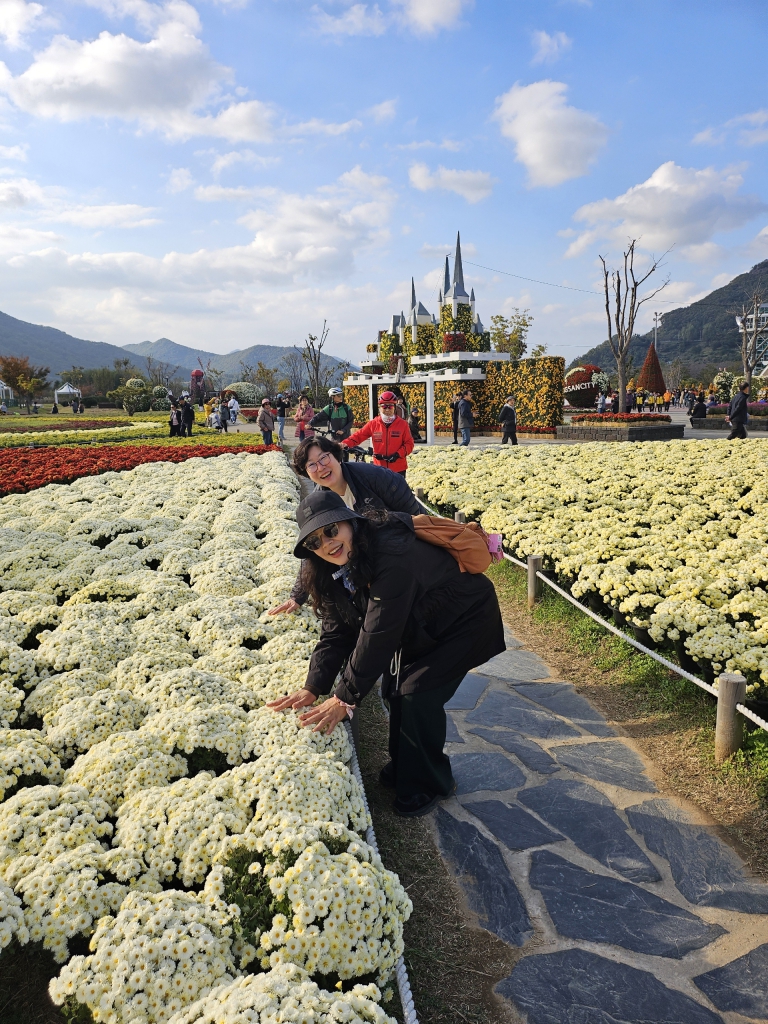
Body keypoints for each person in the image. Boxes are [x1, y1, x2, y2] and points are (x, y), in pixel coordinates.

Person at [267, 491, 505, 816]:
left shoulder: (391, 552)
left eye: (331, 530)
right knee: (395, 690)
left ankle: (431, 783)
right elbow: (337, 632)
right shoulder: (329, 569)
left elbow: (379, 632)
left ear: (350, 522)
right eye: (314, 542)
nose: (327, 543)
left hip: (463, 621)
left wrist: (344, 698)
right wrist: (314, 685)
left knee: (418, 696)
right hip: (422, 624)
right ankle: (407, 766)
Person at [269, 434, 422, 616]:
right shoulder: (319, 501)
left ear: (336, 456)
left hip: (403, 556)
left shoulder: (375, 478)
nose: (321, 467)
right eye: (311, 465)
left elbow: (417, 520)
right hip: (370, 565)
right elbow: (313, 545)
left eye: (324, 458)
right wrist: (297, 596)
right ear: (306, 472)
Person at [343, 391, 414, 477]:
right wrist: (344, 444)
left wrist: (398, 454)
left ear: (395, 407)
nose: (387, 409)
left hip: (398, 469)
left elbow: (409, 444)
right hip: (379, 468)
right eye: (384, 406)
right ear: (380, 408)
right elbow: (358, 436)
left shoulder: (403, 424)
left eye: (390, 406)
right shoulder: (373, 424)